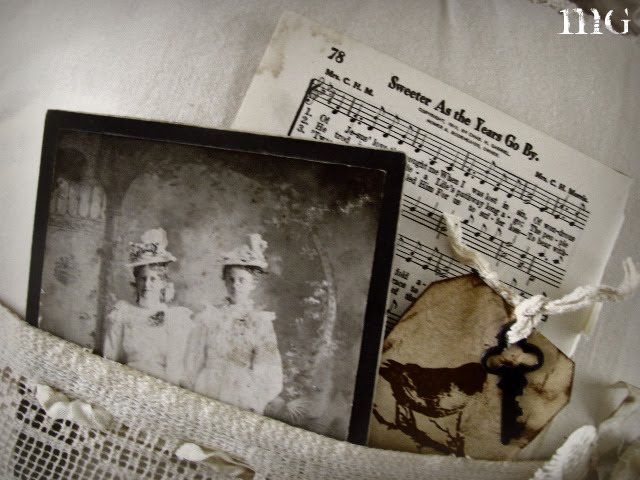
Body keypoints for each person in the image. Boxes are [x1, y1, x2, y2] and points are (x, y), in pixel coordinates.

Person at [184, 234, 283, 414]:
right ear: (225, 281)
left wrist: (255, 397)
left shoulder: (260, 322)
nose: (235, 285)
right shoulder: (208, 317)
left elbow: (269, 366)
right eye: (231, 279)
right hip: (208, 385)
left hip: (241, 390)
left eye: (242, 280)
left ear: (253, 284)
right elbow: (193, 356)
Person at [103, 228, 193, 385]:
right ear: (136, 281)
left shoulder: (174, 318)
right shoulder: (123, 313)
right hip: (127, 382)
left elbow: (175, 367)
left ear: (163, 282)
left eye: (153, 279)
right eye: (142, 278)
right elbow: (110, 358)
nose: (146, 285)